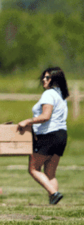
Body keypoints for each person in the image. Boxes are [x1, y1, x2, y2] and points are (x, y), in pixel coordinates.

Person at [18, 66, 69, 205]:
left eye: (47, 78)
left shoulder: (49, 94)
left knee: (33, 169)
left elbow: (46, 116)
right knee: (50, 172)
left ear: (54, 80)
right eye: (43, 77)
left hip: (48, 136)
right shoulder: (61, 95)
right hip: (61, 135)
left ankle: (54, 193)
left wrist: (28, 121)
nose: (43, 80)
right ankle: (54, 204)